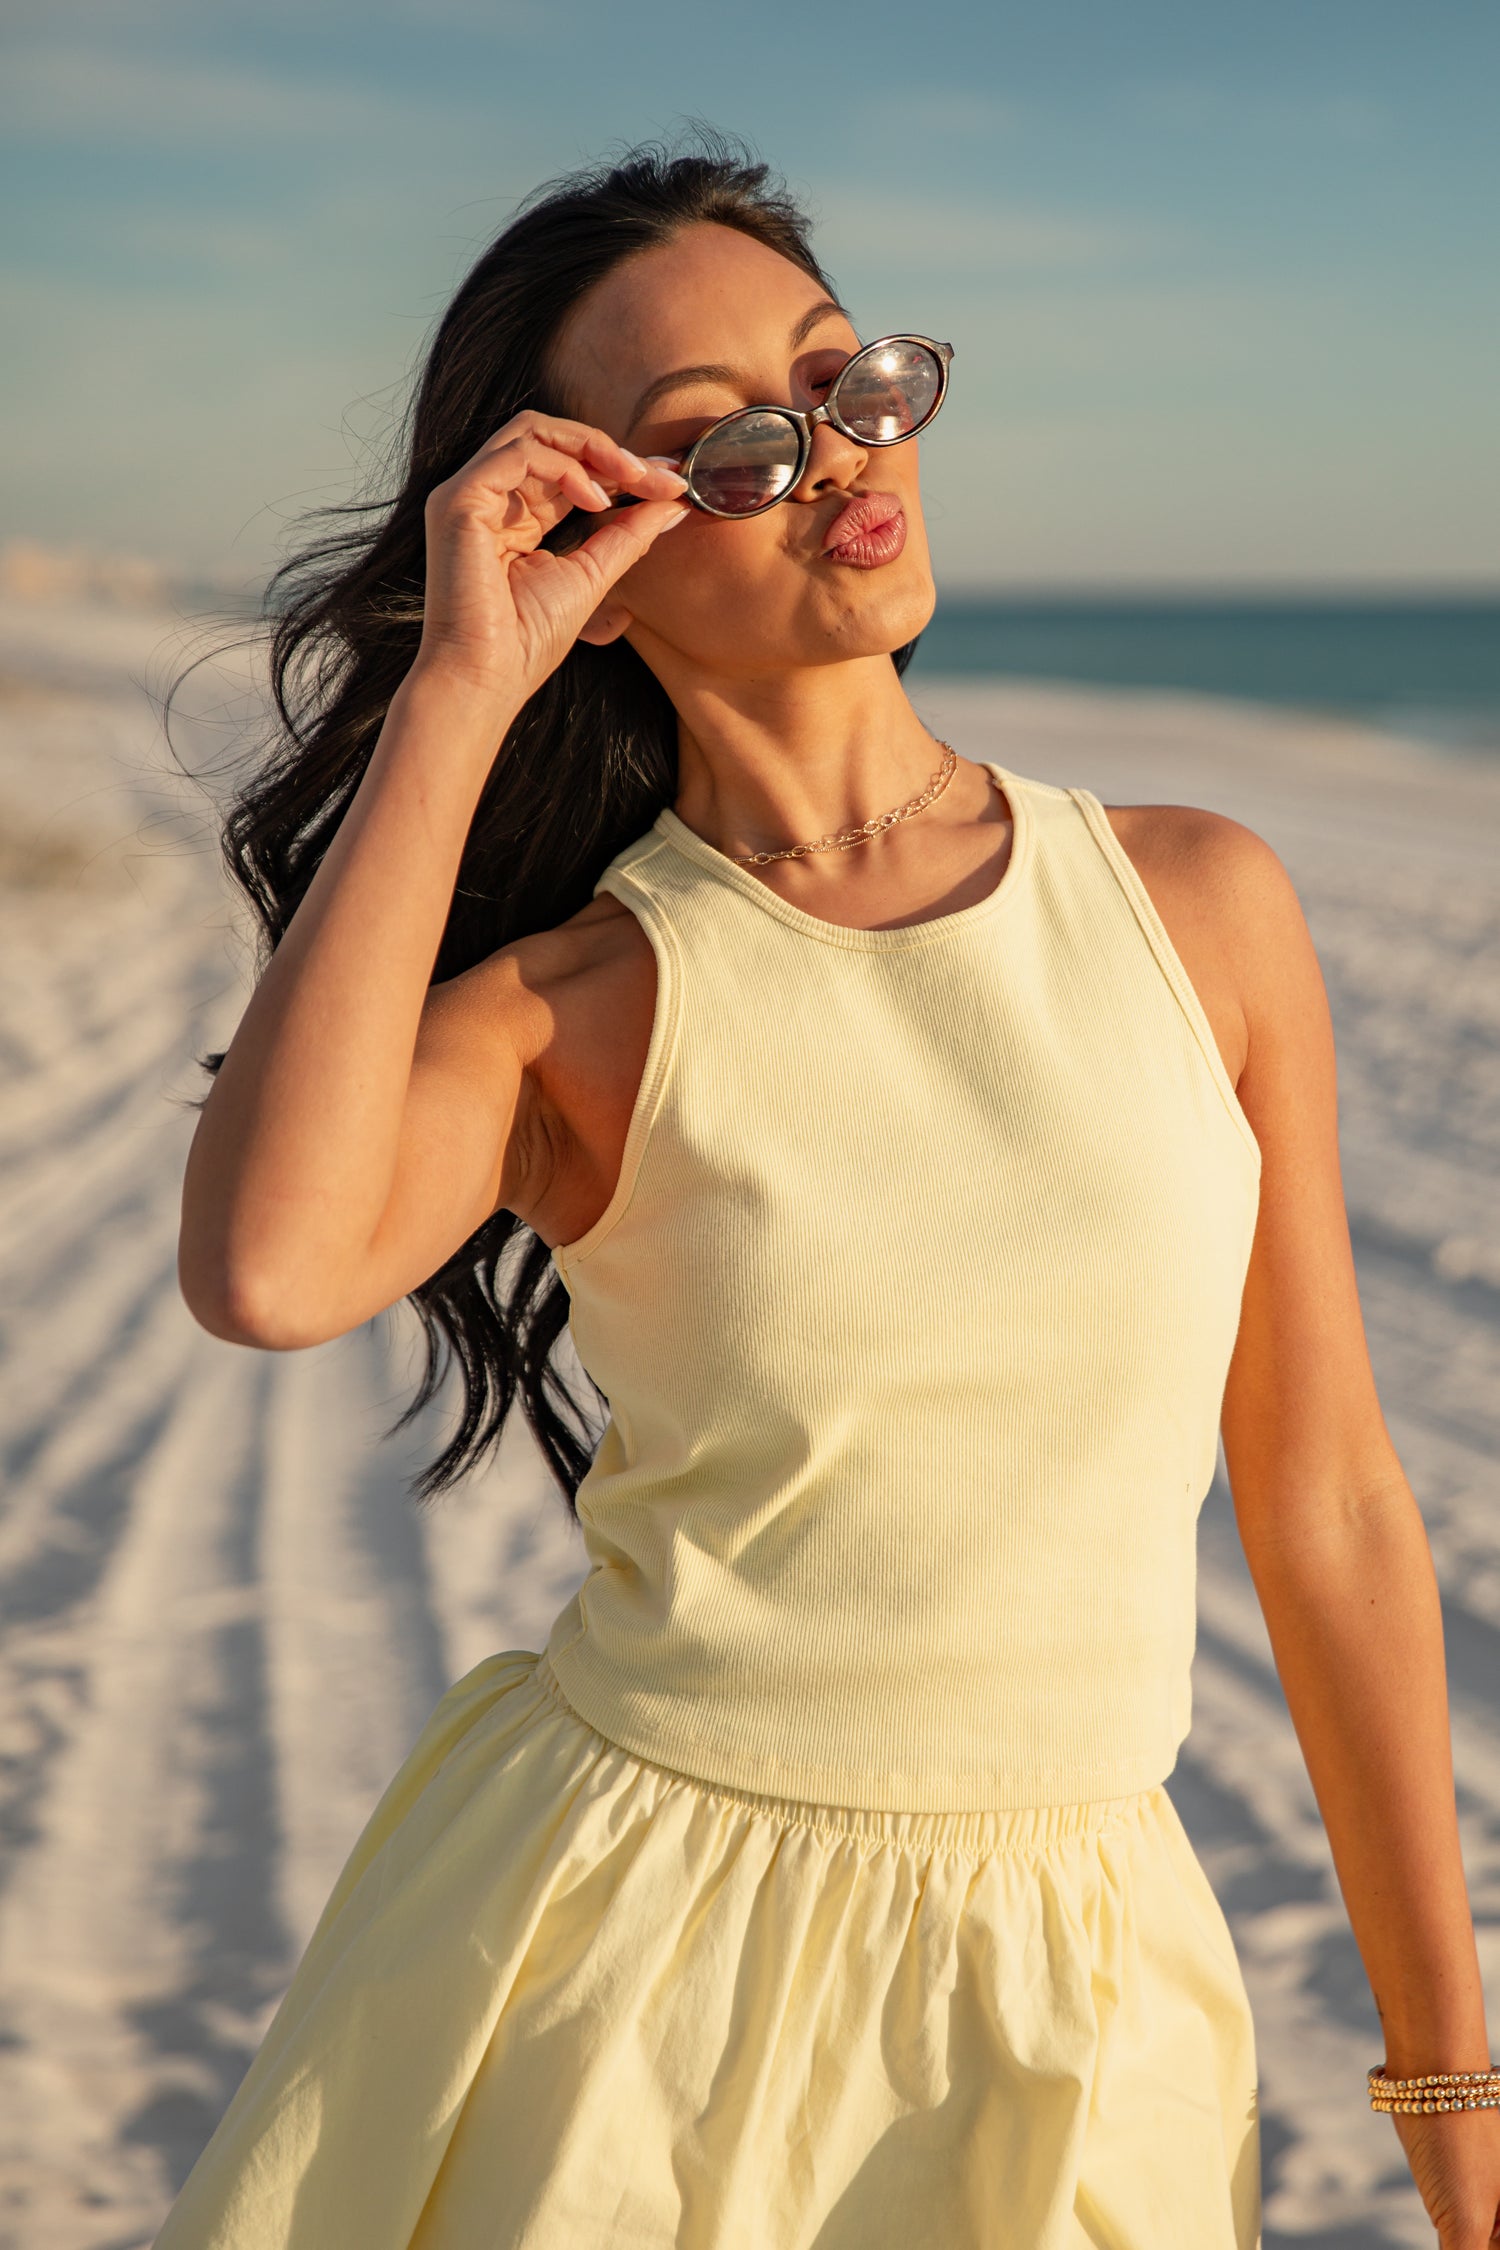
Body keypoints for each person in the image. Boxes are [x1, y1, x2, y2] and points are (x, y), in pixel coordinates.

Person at [158, 137, 1498, 2249]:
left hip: (1085, 1965)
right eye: (726, 446)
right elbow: (268, 1266)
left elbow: (1326, 1500)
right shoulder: (580, 1003)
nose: (836, 459)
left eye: (842, 380)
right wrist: (459, 689)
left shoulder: (1199, 905)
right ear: (585, 531)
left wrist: (1449, 2075)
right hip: (630, 1965)